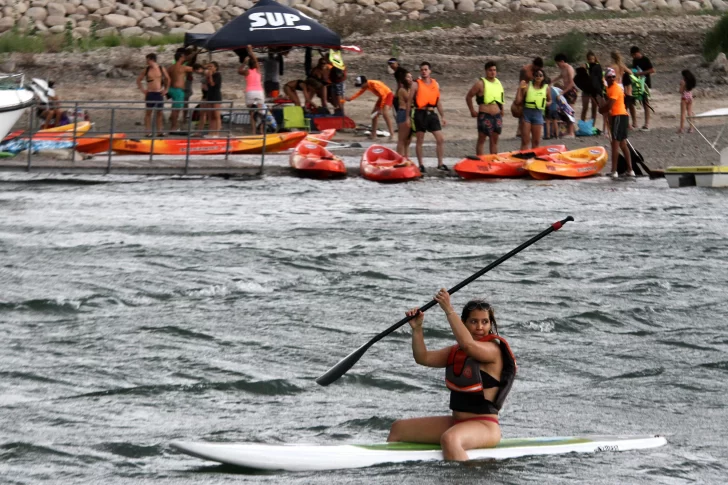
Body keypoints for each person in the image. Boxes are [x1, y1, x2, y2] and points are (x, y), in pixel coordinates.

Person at [387, 291, 517, 461]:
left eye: (485, 322)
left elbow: (469, 345)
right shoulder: (456, 352)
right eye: (473, 321)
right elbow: (423, 358)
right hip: (456, 422)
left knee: (449, 440)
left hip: (485, 426)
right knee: (398, 429)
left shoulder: (493, 350)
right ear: (464, 324)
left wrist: (448, 309)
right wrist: (417, 329)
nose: (479, 327)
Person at [405, 61, 447, 172]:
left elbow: (438, 102)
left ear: (430, 71)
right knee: (420, 139)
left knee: (440, 139)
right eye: (422, 70)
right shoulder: (416, 84)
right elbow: (409, 102)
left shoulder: (435, 84)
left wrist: (443, 116)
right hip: (420, 113)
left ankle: (440, 164)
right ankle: (421, 165)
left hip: (432, 113)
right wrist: (408, 117)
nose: (424, 72)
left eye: (425, 69)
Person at [600, 68, 634, 179]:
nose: (611, 79)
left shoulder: (615, 88)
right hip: (618, 117)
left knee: (615, 144)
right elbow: (608, 104)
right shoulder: (608, 88)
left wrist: (601, 109)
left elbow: (610, 105)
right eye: (609, 77)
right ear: (606, 78)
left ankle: (614, 171)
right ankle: (630, 170)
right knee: (623, 144)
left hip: (620, 116)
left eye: (613, 77)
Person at [465, 61, 504, 155]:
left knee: (494, 141)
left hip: (497, 115)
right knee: (482, 140)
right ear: (486, 71)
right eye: (490, 70)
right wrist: (472, 110)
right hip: (485, 114)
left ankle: (493, 161)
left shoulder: (498, 83)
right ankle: (480, 162)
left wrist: (502, 110)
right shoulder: (480, 83)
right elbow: (469, 96)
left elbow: (500, 99)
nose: (493, 72)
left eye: (494, 70)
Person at [346, 76, 396, 141]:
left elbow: (384, 95)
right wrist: (351, 98)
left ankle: (392, 135)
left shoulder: (374, 84)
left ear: (364, 82)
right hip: (382, 97)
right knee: (374, 115)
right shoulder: (366, 85)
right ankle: (373, 135)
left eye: (361, 85)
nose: (361, 87)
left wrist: (380, 108)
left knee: (385, 114)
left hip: (388, 95)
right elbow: (360, 92)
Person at [137, 53, 170, 136]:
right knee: (148, 113)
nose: (146, 62)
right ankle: (148, 131)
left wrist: (166, 89)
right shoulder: (147, 69)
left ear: (152, 60)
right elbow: (139, 79)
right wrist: (143, 90)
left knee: (159, 112)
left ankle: (160, 131)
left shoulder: (161, 68)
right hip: (150, 93)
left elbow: (168, 79)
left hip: (159, 93)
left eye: (147, 60)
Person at [518, 68, 550, 150]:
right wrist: (520, 88)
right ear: (533, 76)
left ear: (543, 77)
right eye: (536, 75)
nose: (538, 77)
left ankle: (534, 160)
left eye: (540, 75)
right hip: (527, 113)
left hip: (538, 114)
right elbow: (519, 100)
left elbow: (550, 100)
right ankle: (523, 159)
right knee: (525, 141)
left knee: (536, 142)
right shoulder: (527, 86)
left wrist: (546, 103)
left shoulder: (547, 88)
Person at [238, 45, 264, 134]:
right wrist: (250, 50)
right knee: (261, 112)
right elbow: (255, 59)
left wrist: (244, 62)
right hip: (259, 92)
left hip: (250, 92)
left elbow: (239, 71)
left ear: (249, 65)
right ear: (256, 65)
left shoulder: (247, 71)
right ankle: (261, 130)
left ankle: (253, 131)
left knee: (252, 113)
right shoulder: (258, 71)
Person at [168, 48, 194, 133]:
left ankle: (173, 126)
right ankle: (174, 127)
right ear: (180, 57)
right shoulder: (182, 68)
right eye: (183, 57)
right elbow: (193, 69)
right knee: (176, 110)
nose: (184, 58)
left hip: (171, 89)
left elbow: (166, 79)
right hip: (178, 91)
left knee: (174, 109)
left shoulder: (170, 68)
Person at [516, 57, 544, 138]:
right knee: (522, 110)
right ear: (534, 65)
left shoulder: (538, 71)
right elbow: (521, 82)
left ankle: (529, 130)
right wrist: (522, 92)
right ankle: (519, 130)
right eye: (537, 67)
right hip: (526, 90)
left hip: (535, 92)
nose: (538, 69)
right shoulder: (525, 70)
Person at [630, 46, 655, 131]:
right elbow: (634, 70)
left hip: (645, 84)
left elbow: (652, 70)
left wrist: (641, 73)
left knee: (645, 103)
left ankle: (646, 123)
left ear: (637, 53)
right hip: (636, 84)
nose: (633, 57)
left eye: (633, 55)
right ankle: (634, 123)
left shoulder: (645, 59)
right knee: (632, 102)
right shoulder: (634, 61)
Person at [396, 71, 413, 158]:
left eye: (411, 77)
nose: (410, 79)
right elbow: (409, 100)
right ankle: (399, 158)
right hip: (403, 113)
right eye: (408, 77)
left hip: (409, 113)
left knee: (408, 139)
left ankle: (406, 157)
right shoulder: (402, 90)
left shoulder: (409, 90)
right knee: (401, 139)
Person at [581, 51, 602, 124]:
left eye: (593, 59)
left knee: (594, 108)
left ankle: (592, 126)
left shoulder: (597, 66)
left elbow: (600, 78)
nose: (591, 61)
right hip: (586, 89)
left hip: (594, 89)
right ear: (587, 59)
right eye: (590, 59)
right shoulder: (586, 65)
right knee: (585, 108)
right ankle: (582, 124)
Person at [205, 61, 222, 137]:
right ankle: (210, 132)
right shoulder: (208, 76)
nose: (209, 68)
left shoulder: (218, 75)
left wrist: (210, 75)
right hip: (210, 96)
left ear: (215, 67)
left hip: (216, 96)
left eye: (211, 66)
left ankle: (217, 132)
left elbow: (212, 84)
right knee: (210, 115)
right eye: (208, 67)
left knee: (216, 115)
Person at [678, 69, 696, 134]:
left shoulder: (683, 82)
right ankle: (691, 128)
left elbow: (680, 91)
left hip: (684, 98)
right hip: (690, 97)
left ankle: (681, 128)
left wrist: (680, 86)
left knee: (683, 114)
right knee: (690, 113)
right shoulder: (691, 81)